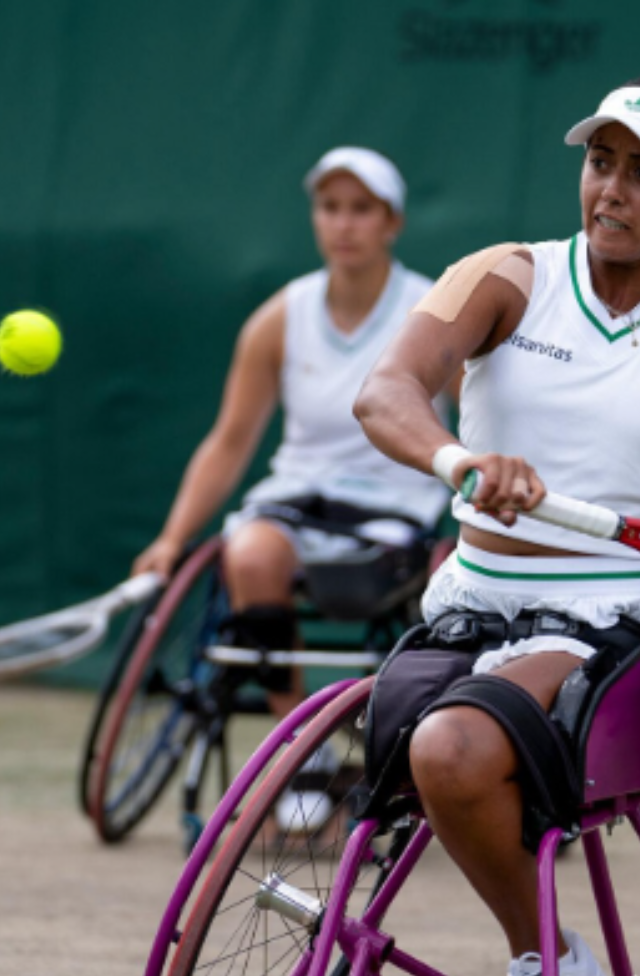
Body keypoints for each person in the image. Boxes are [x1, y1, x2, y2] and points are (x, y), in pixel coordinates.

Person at [353, 74, 640, 976]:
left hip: (613, 622)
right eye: (600, 163)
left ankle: (551, 967)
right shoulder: (505, 275)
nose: (611, 192)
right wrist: (461, 463)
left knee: (452, 752)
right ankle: (556, 962)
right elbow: (385, 391)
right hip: (470, 605)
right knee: (389, 733)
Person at [132, 146, 442, 826]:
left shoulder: (433, 311)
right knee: (249, 555)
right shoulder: (281, 315)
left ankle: (405, 750)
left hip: (394, 513)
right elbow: (230, 440)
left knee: (374, 583)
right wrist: (172, 538)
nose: (344, 224)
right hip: (295, 498)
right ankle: (306, 754)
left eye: (361, 209)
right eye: (330, 208)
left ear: (390, 221)